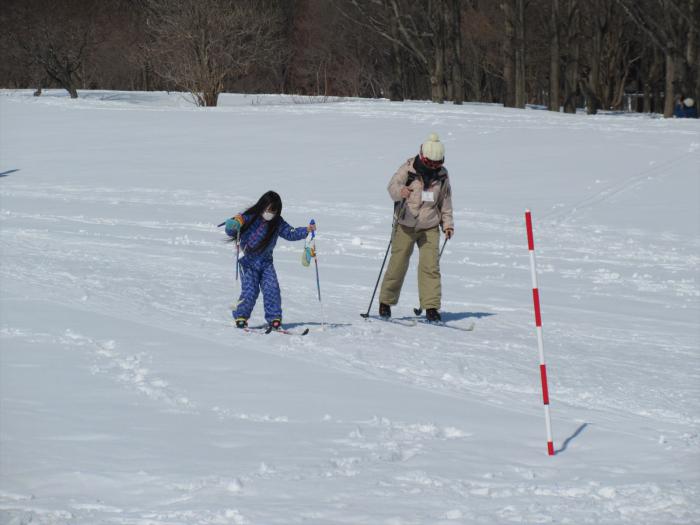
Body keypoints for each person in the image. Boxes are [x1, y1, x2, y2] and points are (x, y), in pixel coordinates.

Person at [378, 133, 454, 322]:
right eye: (431, 164)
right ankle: (385, 303)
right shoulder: (408, 169)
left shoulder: (443, 176)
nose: (434, 168)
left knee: (430, 267)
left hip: (430, 226)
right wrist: (400, 192)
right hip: (406, 224)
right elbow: (392, 186)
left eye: (438, 164)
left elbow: (445, 200)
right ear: (422, 157)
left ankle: (431, 307)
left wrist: (448, 224)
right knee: (398, 264)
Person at [225, 191, 315, 330]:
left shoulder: (278, 222)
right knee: (250, 291)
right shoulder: (249, 217)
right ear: (261, 206)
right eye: (266, 209)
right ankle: (241, 316)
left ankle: (274, 319)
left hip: (266, 263)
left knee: (272, 289)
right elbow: (232, 230)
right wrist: (233, 225)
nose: (269, 213)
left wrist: (306, 230)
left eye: (272, 210)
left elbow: (290, 233)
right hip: (248, 263)